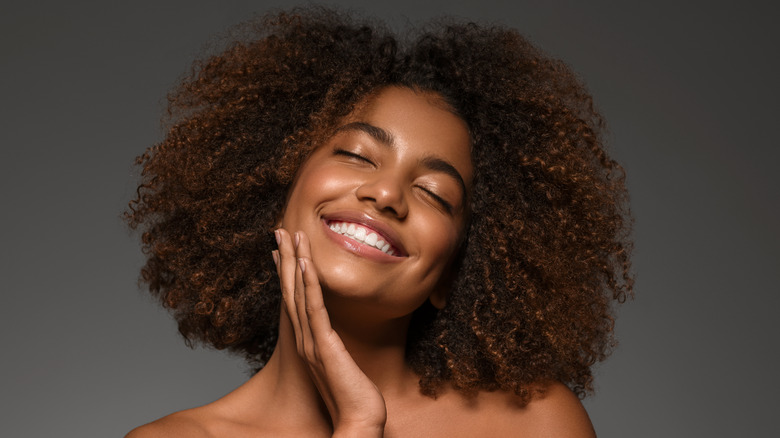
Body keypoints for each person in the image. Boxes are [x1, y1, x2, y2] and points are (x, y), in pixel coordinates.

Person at [125, 7, 632, 437]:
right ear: (273, 194)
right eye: (356, 155)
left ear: (453, 273)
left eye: (434, 193)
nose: (387, 194)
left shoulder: (535, 423)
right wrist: (356, 427)